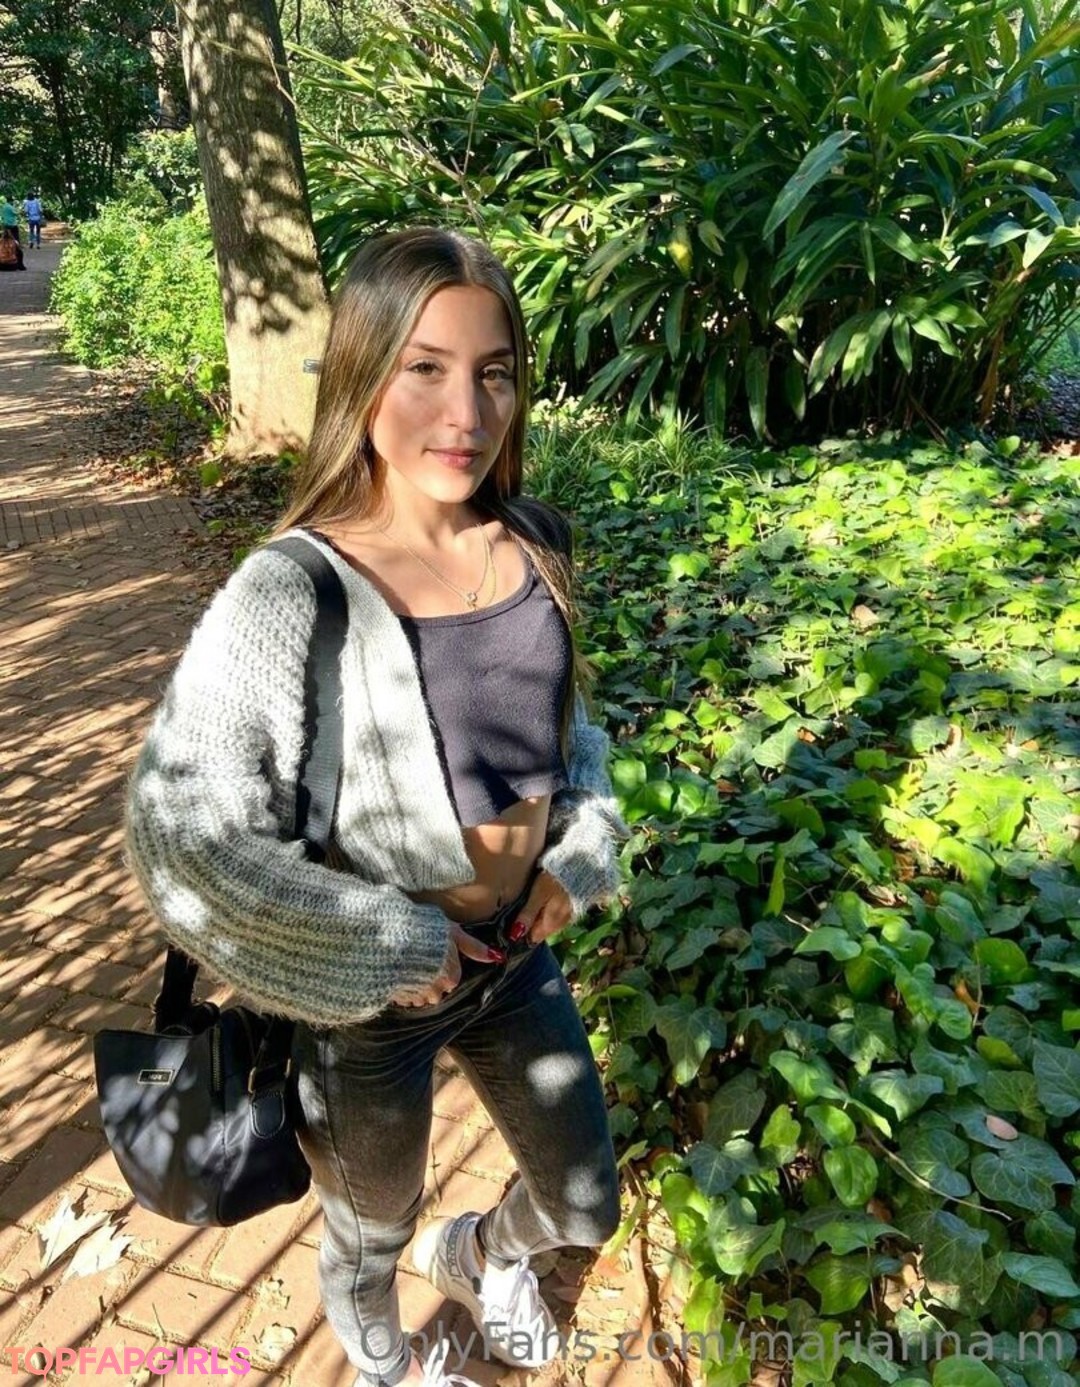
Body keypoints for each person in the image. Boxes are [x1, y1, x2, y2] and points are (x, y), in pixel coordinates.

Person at [125, 227, 627, 1387]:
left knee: (583, 1198)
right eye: (425, 368)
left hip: (515, 958)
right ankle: (389, 1363)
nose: (467, 411)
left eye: (494, 372)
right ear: (362, 376)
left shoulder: (536, 543)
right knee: (369, 1229)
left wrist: (583, 843)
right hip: (371, 1008)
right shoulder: (291, 588)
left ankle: (480, 1253)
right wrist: (383, 940)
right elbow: (179, 837)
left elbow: (570, 732)